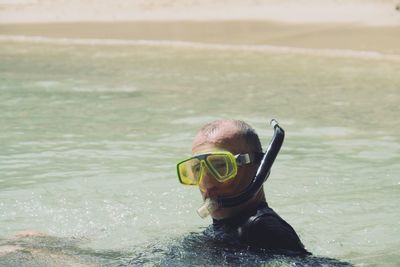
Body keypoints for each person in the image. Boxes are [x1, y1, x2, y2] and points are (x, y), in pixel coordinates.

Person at [176, 119, 310, 255]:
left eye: (221, 166)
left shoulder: (262, 229)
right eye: (197, 169)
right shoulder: (228, 227)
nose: (207, 184)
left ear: (260, 169)